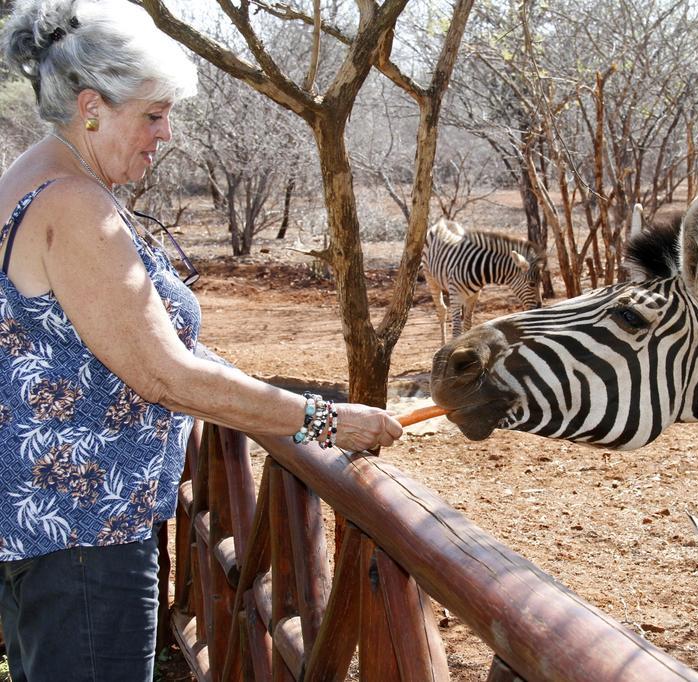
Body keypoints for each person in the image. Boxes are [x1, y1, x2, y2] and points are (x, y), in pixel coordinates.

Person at [0, 1, 404, 679]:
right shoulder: (73, 205)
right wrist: (324, 418)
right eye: (152, 115)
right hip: (83, 539)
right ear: (91, 105)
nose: (166, 134)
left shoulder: (30, 176)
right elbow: (166, 376)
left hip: (46, 532)